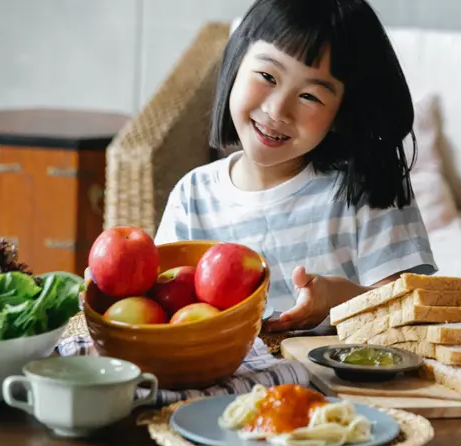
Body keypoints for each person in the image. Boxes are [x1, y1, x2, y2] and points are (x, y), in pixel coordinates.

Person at [154, 0, 437, 333]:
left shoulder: (369, 190)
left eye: (310, 97)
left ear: (341, 116)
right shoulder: (193, 197)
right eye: (267, 76)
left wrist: (344, 299)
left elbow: (416, 313)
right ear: (236, 63)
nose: (278, 110)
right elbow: (161, 311)